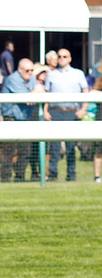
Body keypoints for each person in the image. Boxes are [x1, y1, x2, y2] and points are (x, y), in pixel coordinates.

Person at [43, 48, 88, 181]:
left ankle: (71, 174)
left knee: (70, 146)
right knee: (54, 146)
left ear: (70, 58)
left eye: (64, 56)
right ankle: (53, 174)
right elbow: (47, 93)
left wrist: (83, 108)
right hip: (55, 112)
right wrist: (45, 111)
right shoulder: (51, 75)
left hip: (72, 112)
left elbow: (85, 91)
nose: (61, 58)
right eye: (59, 56)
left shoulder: (78, 74)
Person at [0, 58, 37, 182]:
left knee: (25, 150)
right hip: (11, 119)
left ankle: (20, 177)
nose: (30, 73)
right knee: (8, 150)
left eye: (32, 70)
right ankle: (5, 177)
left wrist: (34, 93)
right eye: (27, 70)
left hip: (25, 119)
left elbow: (33, 97)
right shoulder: (13, 79)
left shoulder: (32, 79)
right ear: (20, 70)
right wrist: (35, 92)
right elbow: (27, 98)